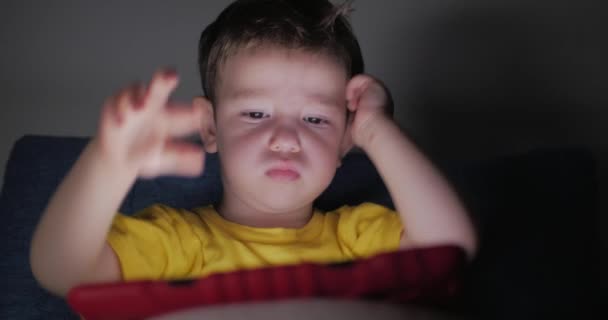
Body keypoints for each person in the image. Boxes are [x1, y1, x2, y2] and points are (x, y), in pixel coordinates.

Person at [30, 0, 476, 298]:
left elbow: (450, 247)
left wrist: (378, 130)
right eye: (256, 114)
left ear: (346, 138)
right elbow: (61, 270)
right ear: (210, 128)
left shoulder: (356, 237)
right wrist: (106, 164)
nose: (286, 138)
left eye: (316, 119)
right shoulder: (177, 241)